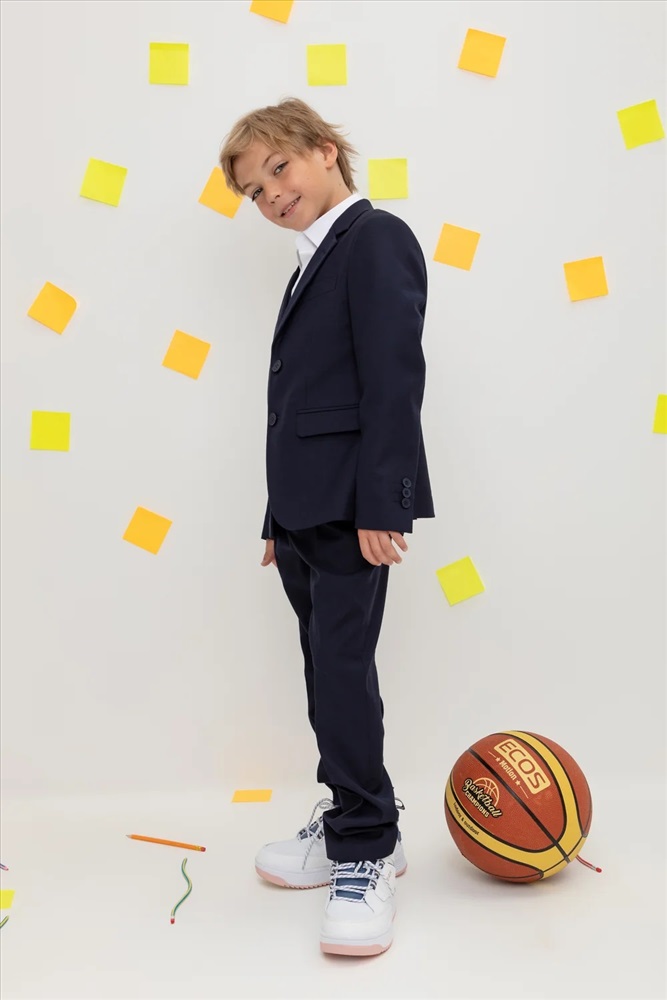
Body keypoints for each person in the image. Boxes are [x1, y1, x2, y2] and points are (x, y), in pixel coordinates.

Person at [219, 97, 434, 957]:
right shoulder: (312, 261)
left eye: (278, 168)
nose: (271, 194)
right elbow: (296, 404)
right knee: (324, 669)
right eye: (253, 190)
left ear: (323, 151)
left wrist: (385, 503)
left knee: (341, 672)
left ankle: (367, 848)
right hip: (306, 509)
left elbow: (393, 378)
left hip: (350, 508)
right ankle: (353, 813)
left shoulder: (374, 239)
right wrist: (277, 515)